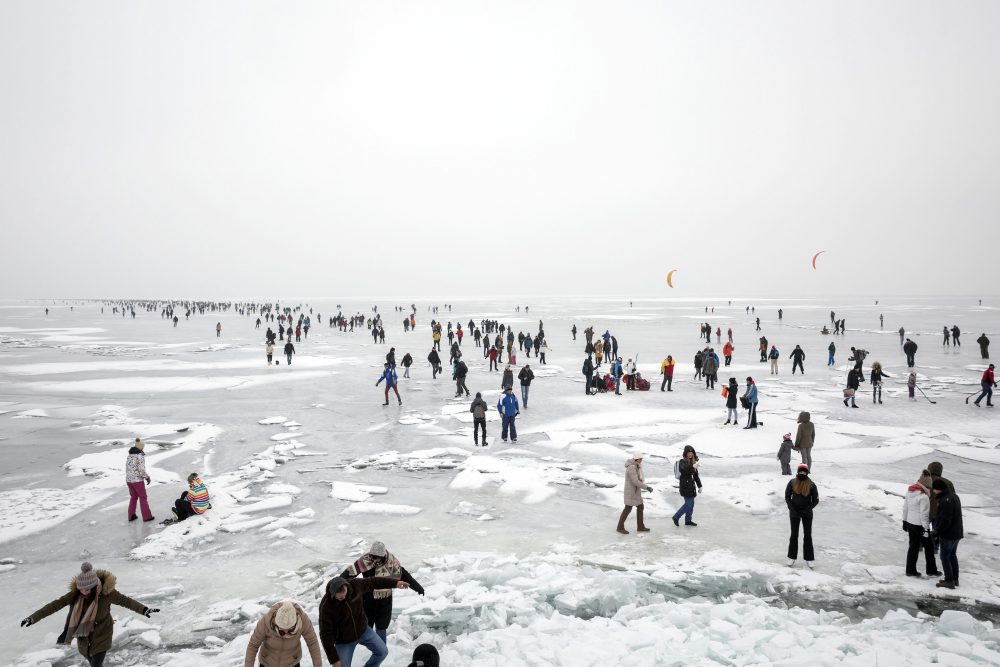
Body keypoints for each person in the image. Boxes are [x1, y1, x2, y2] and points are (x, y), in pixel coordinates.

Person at [20, 562, 159, 667]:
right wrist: (33, 618)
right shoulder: (76, 595)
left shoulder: (107, 593)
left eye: (87, 589)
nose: (84, 592)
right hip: (84, 638)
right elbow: (54, 605)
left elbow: (126, 601)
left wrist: (144, 609)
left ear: (94, 586)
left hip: (102, 634)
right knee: (92, 662)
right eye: (81, 589)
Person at [340, 541, 425, 643]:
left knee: (381, 627)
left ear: (383, 556)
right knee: (366, 627)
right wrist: (338, 584)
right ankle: (366, 650)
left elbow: (405, 576)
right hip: (367, 600)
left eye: (377, 557)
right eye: (372, 556)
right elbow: (350, 572)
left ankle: (381, 651)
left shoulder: (392, 563)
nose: (374, 560)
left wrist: (418, 588)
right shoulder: (365, 561)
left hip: (384, 602)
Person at [319, 575, 410, 667]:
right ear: (333, 594)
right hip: (344, 640)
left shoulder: (355, 585)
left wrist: (396, 583)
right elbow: (325, 634)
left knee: (382, 652)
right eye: (340, 597)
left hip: (363, 630)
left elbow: (374, 581)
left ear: (346, 586)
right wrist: (334, 660)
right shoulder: (326, 606)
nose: (344, 597)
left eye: (345, 594)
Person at [244, 600, 322, 667]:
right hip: (267, 664)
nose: (285, 632)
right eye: (281, 630)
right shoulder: (266, 621)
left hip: (292, 664)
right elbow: (253, 645)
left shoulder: (303, 621)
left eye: (290, 630)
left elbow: (312, 643)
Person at [902, 471, 940, 579]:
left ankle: (910, 570)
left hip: (910, 523)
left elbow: (905, 508)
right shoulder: (924, 497)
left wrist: (904, 521)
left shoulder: (910, 492)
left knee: (913, 547)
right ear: (928, 486)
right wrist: (926, 529)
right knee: (929, 547)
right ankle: (931, 570)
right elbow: (924, 515)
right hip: (919, 525)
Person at [932, 479, 963, 589]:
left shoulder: (946, 500)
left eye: (934, 489)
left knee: (945, 556)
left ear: (938, 489)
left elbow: (945, 520)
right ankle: (955, 579)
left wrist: (937, 531)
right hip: (957, 532)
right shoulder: (954, 496)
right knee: (952, 555)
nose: (933, 491)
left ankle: (949, 580)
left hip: (949, 534)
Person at [786, 464, 819, 568]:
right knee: (794, 535)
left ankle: (809, 559)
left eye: (804, 472)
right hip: (794, 513)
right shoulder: (792, 482)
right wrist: (792, 509)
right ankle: (792, 557)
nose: (802, 473)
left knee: (807, 535)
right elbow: (787, 497)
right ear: (798, 472)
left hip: (807, 513)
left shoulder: (811, 484)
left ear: (807, 473)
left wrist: (808, 509)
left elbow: (816, 499)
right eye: (800, 472)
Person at [617, 451, 652, 534]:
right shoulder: (632, 467)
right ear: (637, 459)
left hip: (635, 491)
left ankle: (640, 526)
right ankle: (620, 527)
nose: (641, 461)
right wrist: (646, 487)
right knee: (627, 509)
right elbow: (635, 481)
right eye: (640, 459)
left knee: (640, 506)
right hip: (631, 492)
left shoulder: (636, 466)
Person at [672, 445, 702, 526]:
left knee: (691, 505)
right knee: (688, 504)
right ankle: (676, 517)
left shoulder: (694, 462)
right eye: (688, 453)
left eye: (691, 453)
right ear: (685, 453)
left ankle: (688, 520)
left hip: (691, 486)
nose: (690, 454)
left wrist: (700, 486)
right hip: (685, 485)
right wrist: (693, 467)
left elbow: (695, 476)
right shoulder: (682, 462)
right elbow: (685, 470)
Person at [125, 438, 153, 522]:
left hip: (129, 480)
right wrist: (147, 477)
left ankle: (131, 515)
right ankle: (147, 517)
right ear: (141, 448)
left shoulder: (129, 455)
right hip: (137, 481)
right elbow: (141, 470)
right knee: (143, 497)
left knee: (133, 497)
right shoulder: (139, 456)